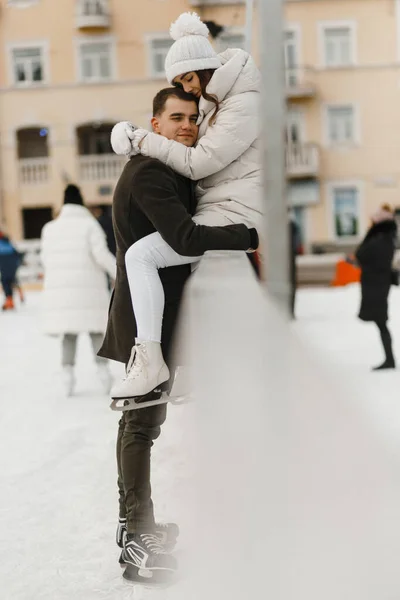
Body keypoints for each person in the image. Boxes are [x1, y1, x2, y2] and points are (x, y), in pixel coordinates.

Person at [97, 86, 258, 584]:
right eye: (176, 117)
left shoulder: (175, 170)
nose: (187, 125)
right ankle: (134, 533)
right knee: (141, 426)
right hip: (146, 324)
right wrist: (249, 234)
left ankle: (138, 523)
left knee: (147, 423)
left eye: (192, 118)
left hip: (160, 318)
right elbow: (184, 239)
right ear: (155, 122)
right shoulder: (150, 172)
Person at [110, 11, 262, 402]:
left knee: (143, 255)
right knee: (177, 268)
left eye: (187, 79)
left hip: (235, 210)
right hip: (223, 207)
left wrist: (140, 139)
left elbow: (198, 162)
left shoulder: (243, 104)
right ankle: (185, 367)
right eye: (178, 85)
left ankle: (153, 359)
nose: (186, 89)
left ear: (204, 68)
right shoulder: (217, 103)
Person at [41, 184, 116, 395]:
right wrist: (120, 275)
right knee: (95, 331)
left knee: (69, 334)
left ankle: (67, 378)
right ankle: (103, 375)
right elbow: (101, 255)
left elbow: (46, 260)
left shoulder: (50, 228)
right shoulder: (90, 225)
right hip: (89, 290)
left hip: (62, 293)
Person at [355, 204, 397, 370]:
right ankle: (389, 359)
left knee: (381, 322)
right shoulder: (385, 237)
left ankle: (390, 359)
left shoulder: (381, 239)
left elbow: (361, 254)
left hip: (377, 283)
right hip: (377, 282)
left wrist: (370, 234)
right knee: (381, 322)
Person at [0, 230, 22, 311]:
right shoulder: (8, 242)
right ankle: (11, 300)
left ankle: (9, 301)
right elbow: (17, 253)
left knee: (5, 281)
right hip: (12, 264)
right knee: (11, 280)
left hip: (5, 263)